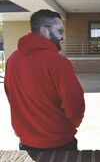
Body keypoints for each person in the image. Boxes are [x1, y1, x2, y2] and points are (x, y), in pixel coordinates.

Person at [4, 9, 85, 150]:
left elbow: (11, 97)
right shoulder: (59, 62)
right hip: (60, 143)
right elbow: (75, 106)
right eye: (60, 31)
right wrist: (68, 127)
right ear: (44, 31)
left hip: (26, 144)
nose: (63, 37)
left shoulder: (12, 60)